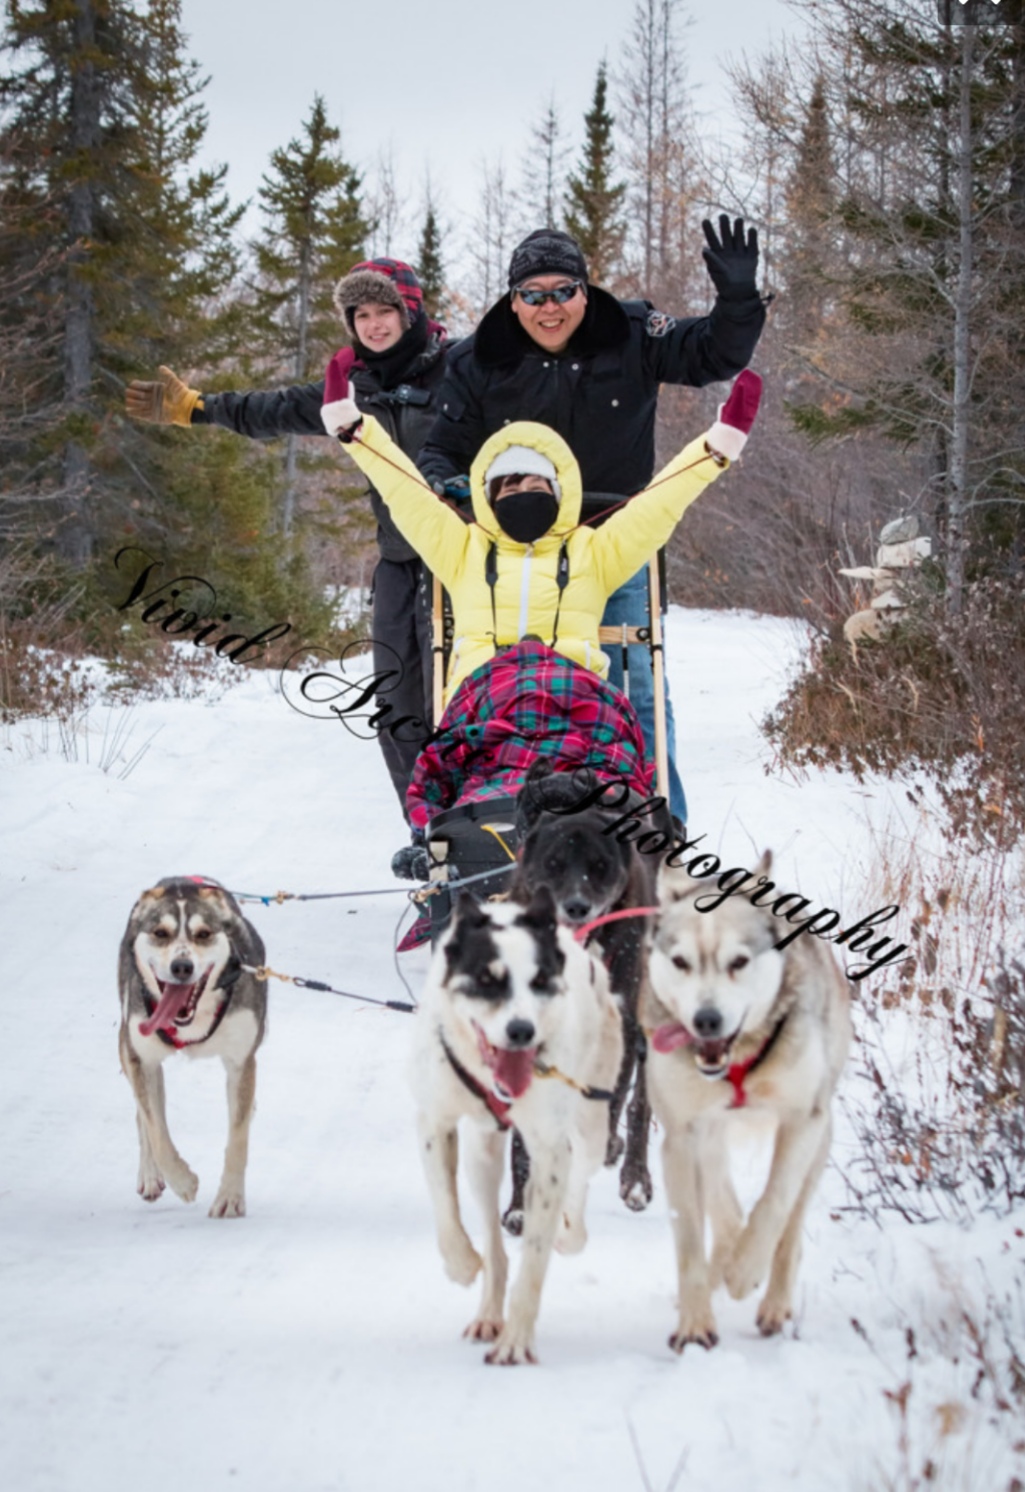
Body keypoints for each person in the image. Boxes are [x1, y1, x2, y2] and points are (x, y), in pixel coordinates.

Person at [416, 220, 767, 825]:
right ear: (512, 299)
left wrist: (737, 299)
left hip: (614, 544)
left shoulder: (631, 332)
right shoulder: (478, 358)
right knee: (503, 697)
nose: (548, 308)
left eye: (562, 292)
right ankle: (485, 826)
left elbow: (715, 353)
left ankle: (659, 831)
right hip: (515, 555)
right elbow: (439, 451)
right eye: (532, 295)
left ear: (584, 290)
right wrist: (463, 499)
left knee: (638, 690)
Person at [125, 259, 448, 874]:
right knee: (397, 702)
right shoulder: (347, 387)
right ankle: (427, 832)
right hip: (400, 562)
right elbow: (270, 411)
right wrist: (197, 408)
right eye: (362, 315)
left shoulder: (461, 369)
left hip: (464, 561)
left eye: (386, 312)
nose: (375, 325)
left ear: (411, 313)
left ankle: (482, 827)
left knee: (459, 698)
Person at [321, 370, 761, 708]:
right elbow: (405, 491)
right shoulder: (464, 550)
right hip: (485, 703)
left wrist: (714, 449)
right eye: (508, 489)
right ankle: (487, 813)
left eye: (535, 486)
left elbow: (660, 503)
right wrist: (356, 432)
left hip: (575, 704)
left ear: (557, 492)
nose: (522, 496)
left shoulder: (592, 552)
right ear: (489, 499)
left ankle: (586, 813)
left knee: (598, 756)